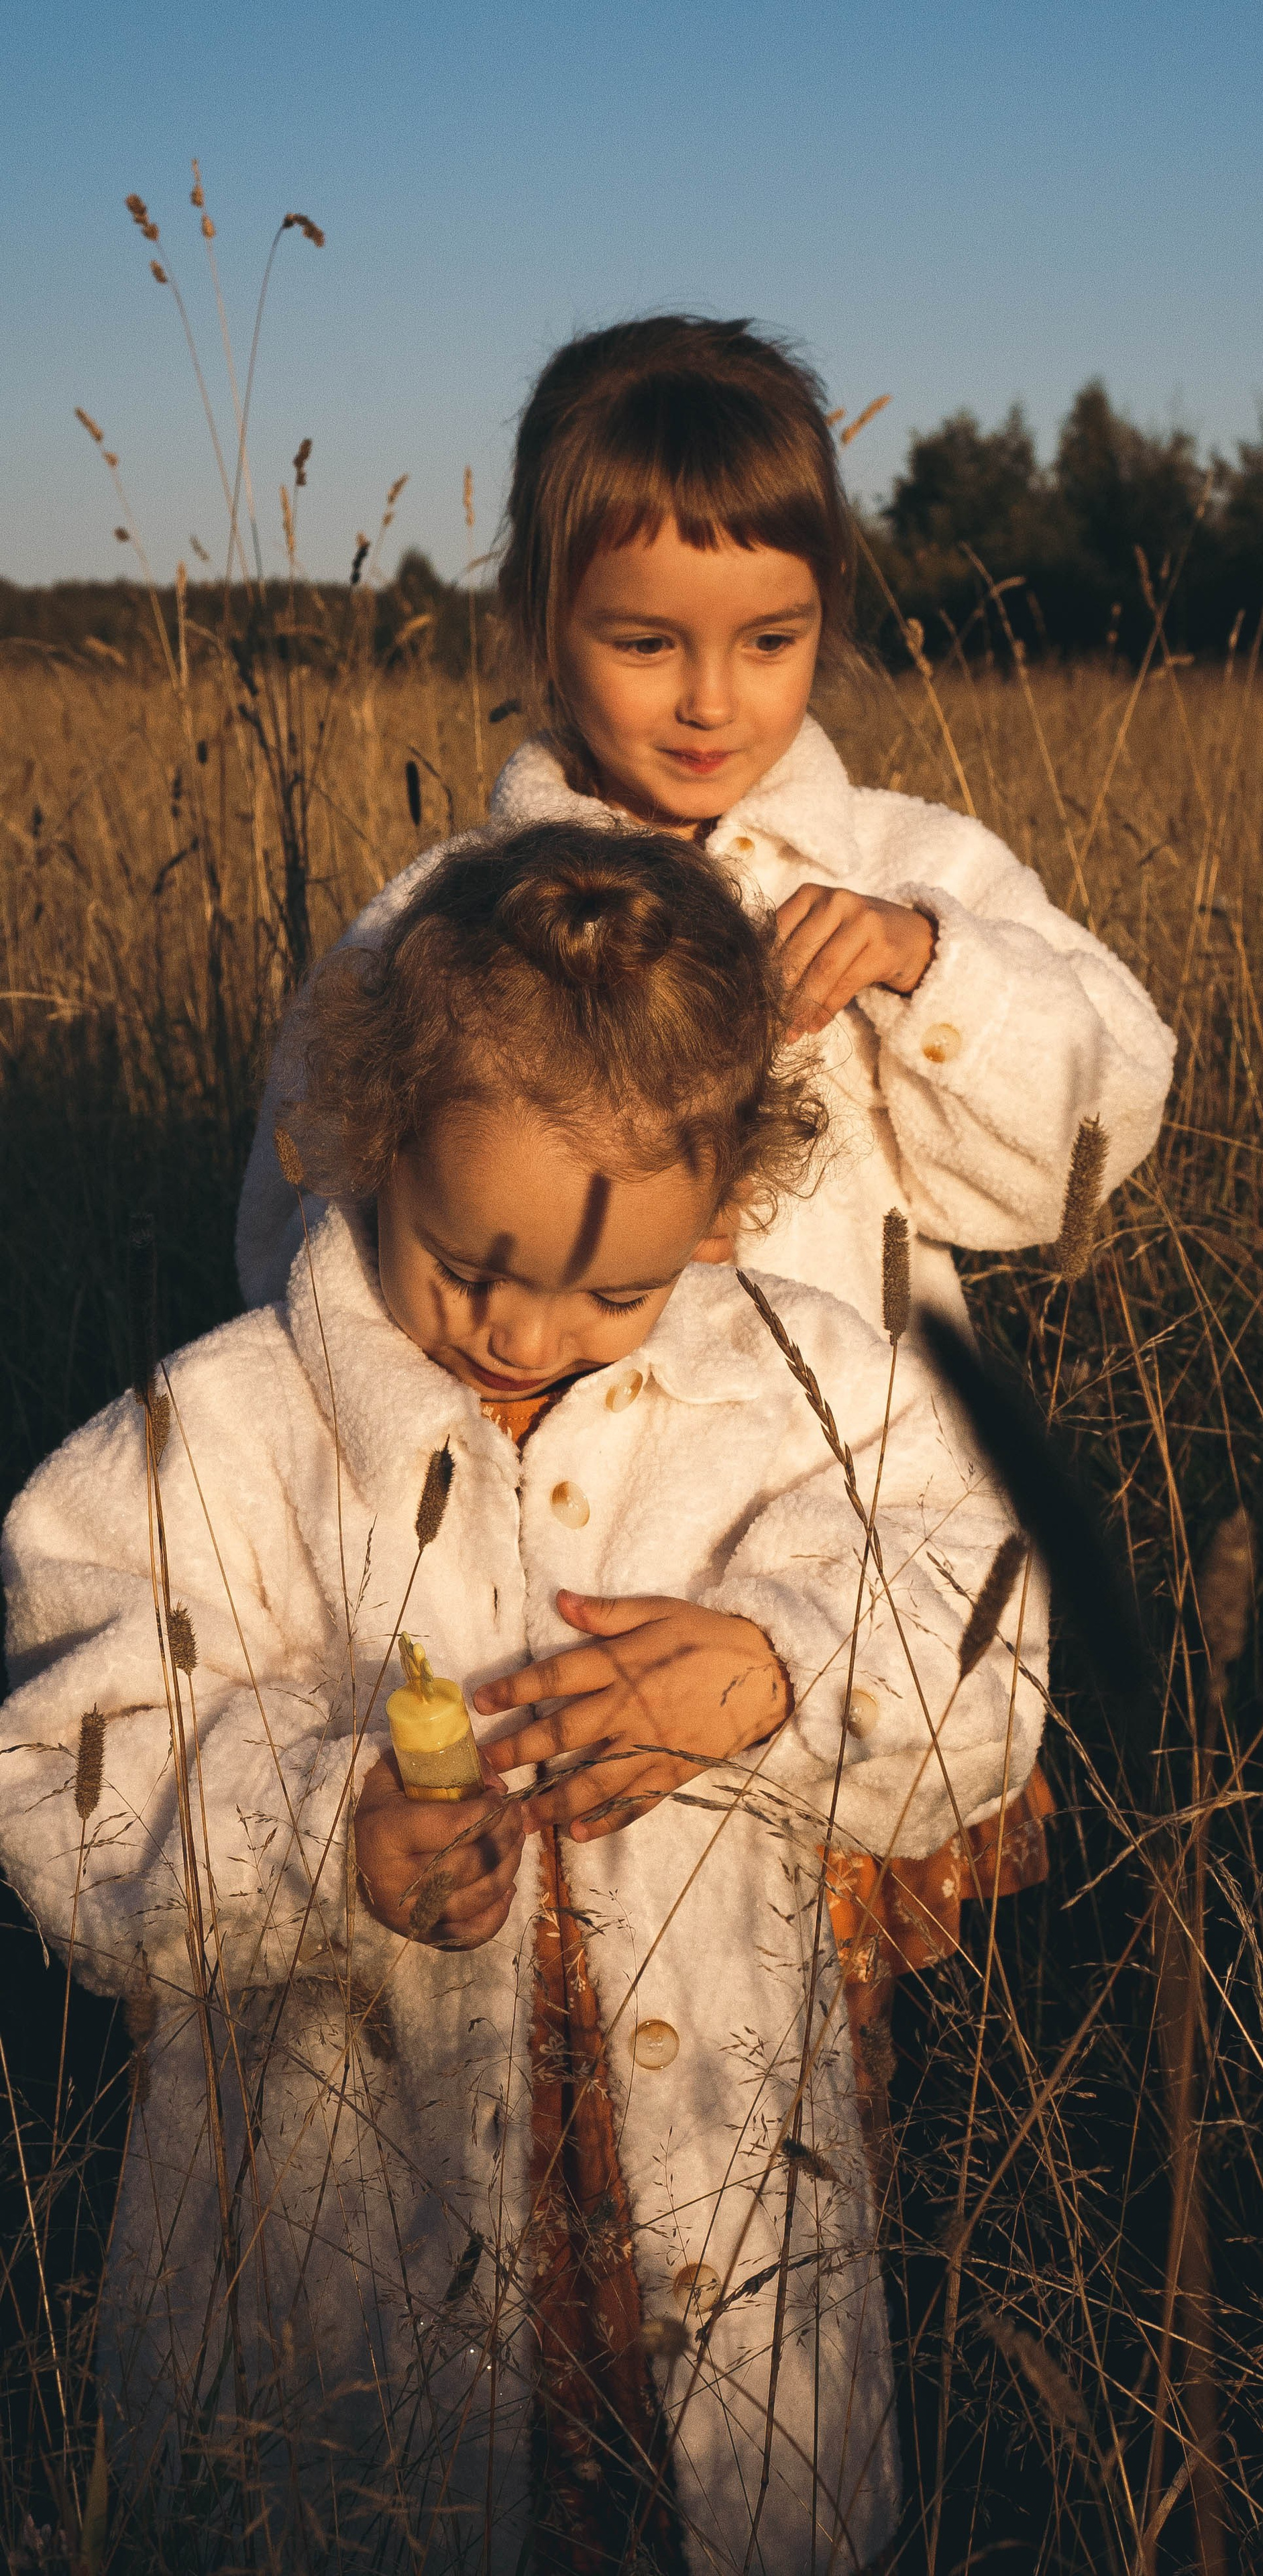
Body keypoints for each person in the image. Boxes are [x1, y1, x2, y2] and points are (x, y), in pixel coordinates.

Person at [0, 823, 1044, 2574]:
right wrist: (322, 1828)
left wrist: (785, 1664)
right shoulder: (225, 1436)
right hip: (346, 2280)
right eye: (471, 1254)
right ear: (378, 1139)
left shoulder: (809, 1395)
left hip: (722, 2220)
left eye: (610, 1287)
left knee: (731, 2504)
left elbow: (984, 1634)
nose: (523, 1326)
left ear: (721, 1209)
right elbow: (51, 1754)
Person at [235, 313, 1176, 1329]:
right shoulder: (441, 920)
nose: (712, 702)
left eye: (771, 640)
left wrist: (929, 969)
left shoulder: (914, 872)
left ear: (831, 607)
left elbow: (1110, 1112)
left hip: (864, 1464)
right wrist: (555, 1235)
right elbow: (285, 1237)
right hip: (556, 1477)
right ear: (540, 619)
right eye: (648, 643)